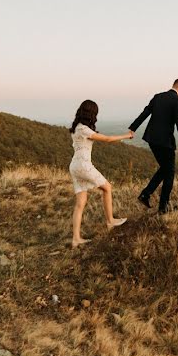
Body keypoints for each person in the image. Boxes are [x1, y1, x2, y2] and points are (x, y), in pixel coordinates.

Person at [68, 99, 130, 248]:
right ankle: (110, 221)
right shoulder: (84, 129)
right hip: (83, 165)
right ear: (91, 113)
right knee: (107, 188)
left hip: (74, 166)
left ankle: (76, 239)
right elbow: (108, 139)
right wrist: (126, 136)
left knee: (80, 204)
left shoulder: (77, 128)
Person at [128, 78, 178, 214]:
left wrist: (133, 128)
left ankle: (146, 194)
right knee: (169, 173)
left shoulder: (158, 97)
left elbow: (145, 113)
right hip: (165, 142)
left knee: (165, 169)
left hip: (152, 139)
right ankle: (163, 208)